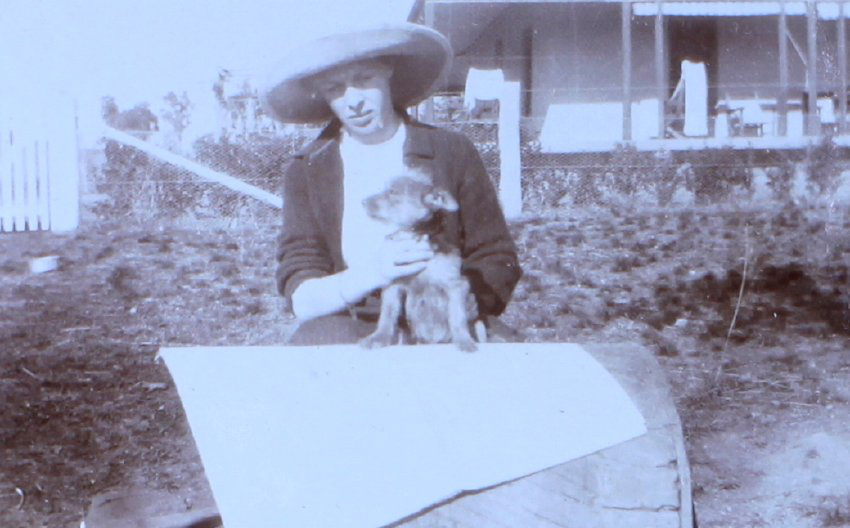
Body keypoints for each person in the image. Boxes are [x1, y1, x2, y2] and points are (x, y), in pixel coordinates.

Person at [262, 23, 521, 345]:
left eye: (364, 79)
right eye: (334, 88)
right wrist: (372, 274)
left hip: (445, 314)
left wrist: (475, 301)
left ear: (388, 73)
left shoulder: (450, 151)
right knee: (313, 355)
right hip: (354, 320)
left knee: (510, 365)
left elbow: (495, 253)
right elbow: (300, 274)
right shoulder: (308, 168)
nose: (353, 101)